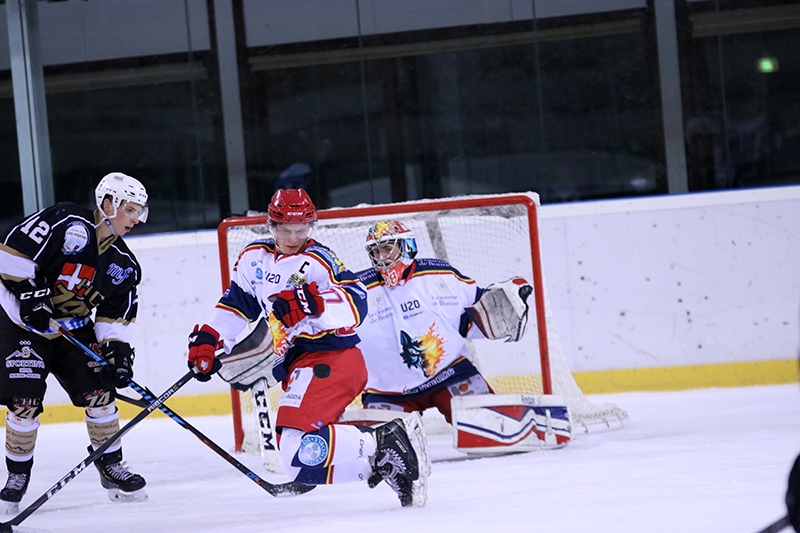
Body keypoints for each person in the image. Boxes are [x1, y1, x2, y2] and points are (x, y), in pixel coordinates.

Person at [187, 189, 429, 507]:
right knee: (300, 463)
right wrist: (210, 339)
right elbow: (236, 306)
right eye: (285, 229)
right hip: (299, 365)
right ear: (271, 226)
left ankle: (383, 439)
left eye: (301, 229)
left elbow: (357, 301)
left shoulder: (319, 260)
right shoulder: (253, 258)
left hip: (332, 358)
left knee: (295, 447)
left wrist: (313, 303)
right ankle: (382, 464)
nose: (293, 237)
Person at [0, 172, 150, 512]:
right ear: (107, 204)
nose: (135, 219)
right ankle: (17, 476)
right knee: (24, 402)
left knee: (101, 393)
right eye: (129, 209)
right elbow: (10, 251)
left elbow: (115, 316)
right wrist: (30, 295)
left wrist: (117, 353)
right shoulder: (66, 221)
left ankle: (111, 465)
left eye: (139, 211)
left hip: (74, 328)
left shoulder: (123, 265)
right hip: (23, 325)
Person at [353, 220, 560, 452]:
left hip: (450, 374)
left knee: (495, 440)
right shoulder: (358, 290)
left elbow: (475, 314)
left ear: (406, 246)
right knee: (382, 457)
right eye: (376, 252)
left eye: (387, 249)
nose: (381, 257)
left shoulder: (440, 274)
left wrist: (504, 306)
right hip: (388, 390)